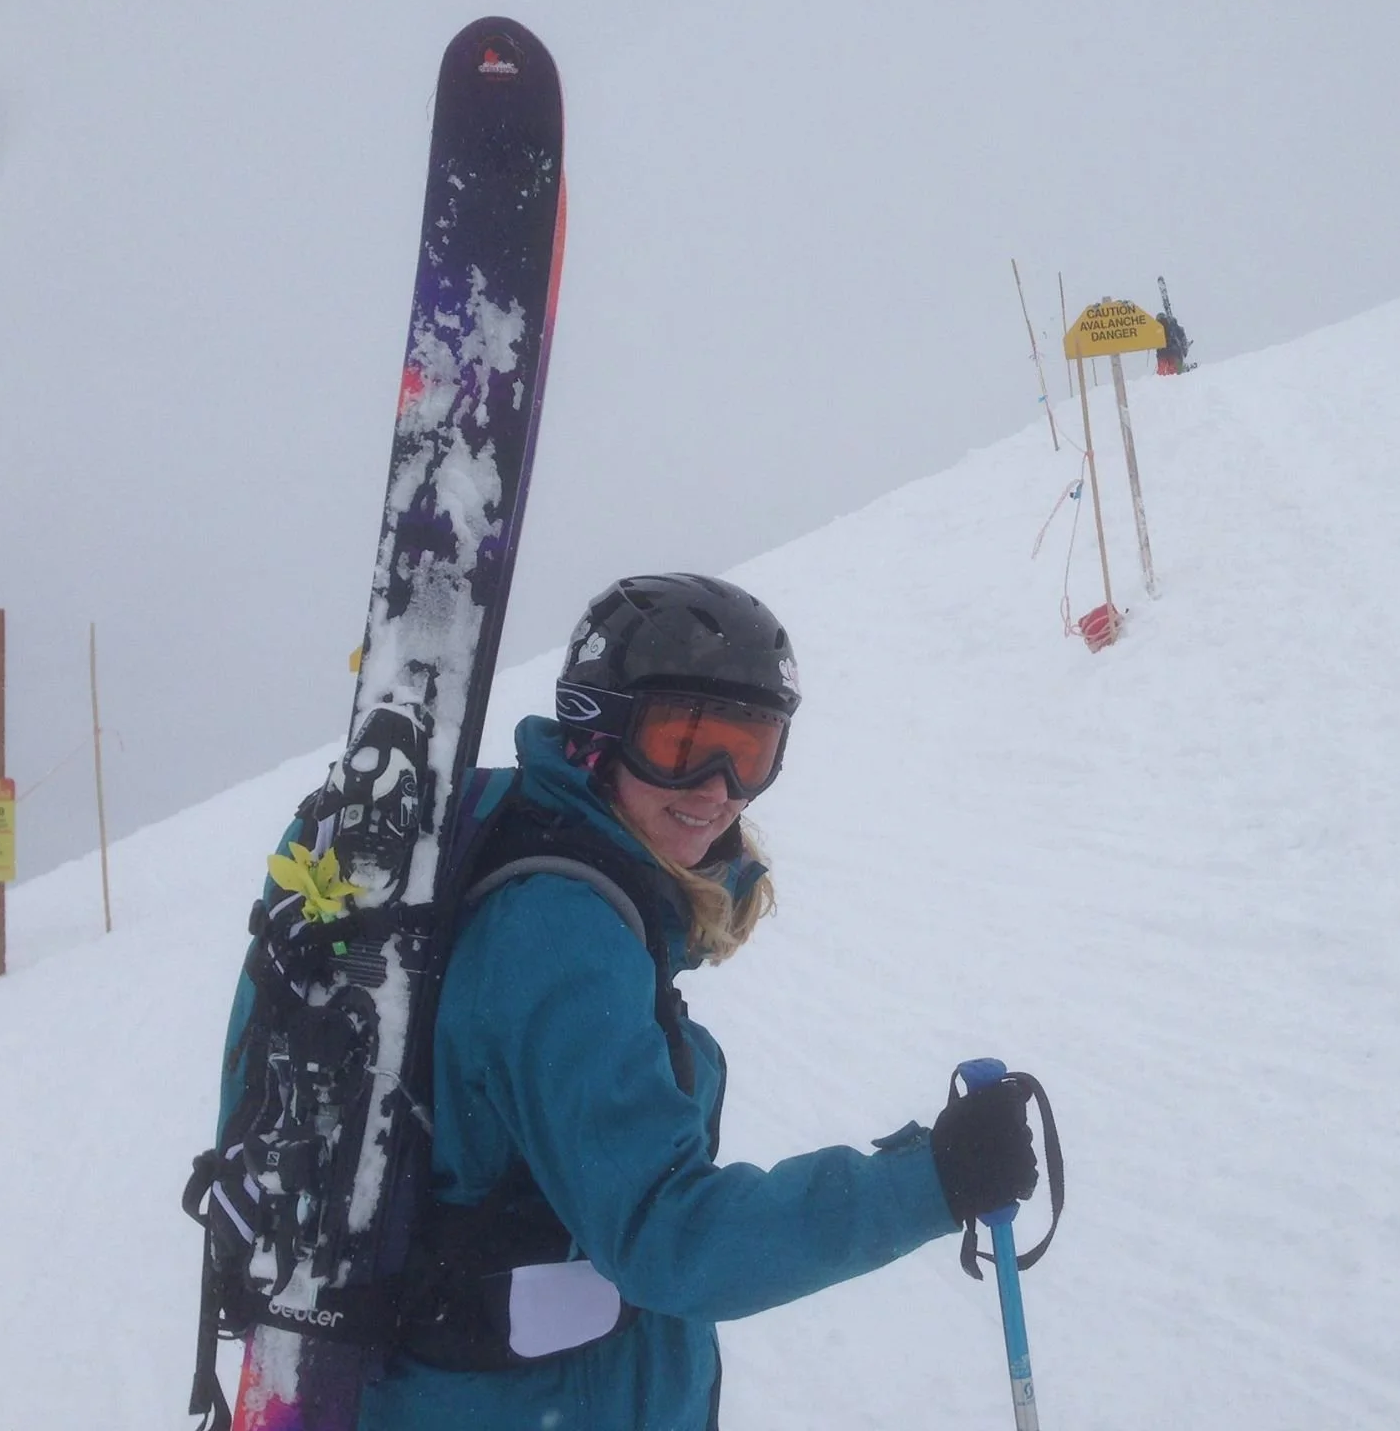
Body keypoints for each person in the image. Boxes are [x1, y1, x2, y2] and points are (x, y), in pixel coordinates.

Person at [250, 573, 1041, 1430]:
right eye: (682, 742)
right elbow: (673, 1239)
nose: (717, 789)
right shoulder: (558, 933)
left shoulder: (560, 867)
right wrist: (932, 1183)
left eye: (751, 751)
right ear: (600, 730)